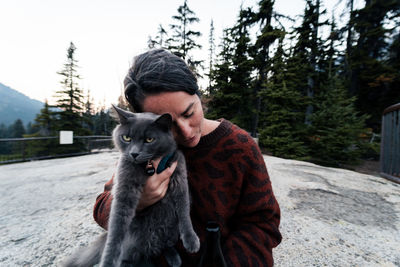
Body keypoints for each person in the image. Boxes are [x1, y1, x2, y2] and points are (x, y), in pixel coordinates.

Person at [93, 49, 282, 266]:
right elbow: (101, 208)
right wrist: (139, 202)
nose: (185, 131)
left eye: (189, 113)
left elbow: (262, 224)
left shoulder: (240, 148)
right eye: (168, 125)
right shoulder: (144, 151)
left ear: (198, 96)